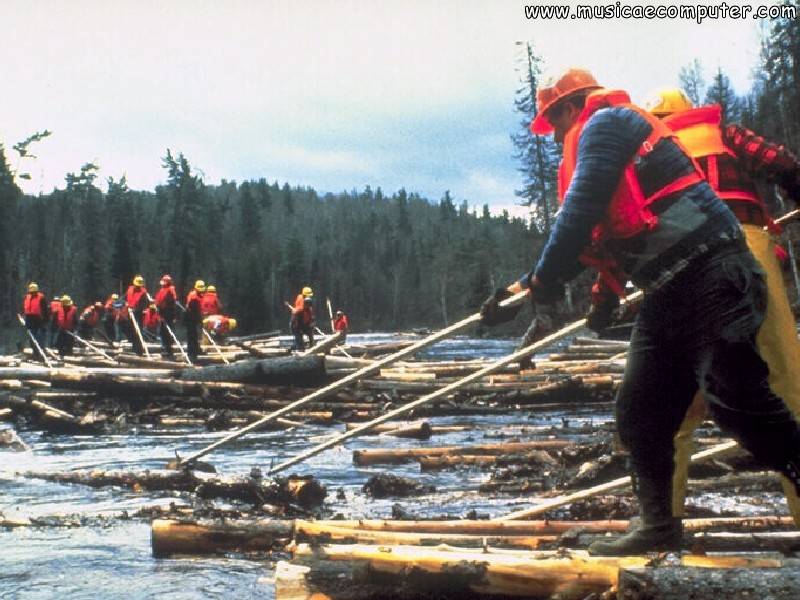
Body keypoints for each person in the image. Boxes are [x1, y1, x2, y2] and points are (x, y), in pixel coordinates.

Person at [480, 67, 800, 555]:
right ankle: (659, 526)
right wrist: (521, 290)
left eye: (556, 123)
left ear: (569, 108)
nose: (557, 138)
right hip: (668, 288)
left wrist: (542, 279)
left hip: (713, 270)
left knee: (741, 404)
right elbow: (606, 241)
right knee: (640, 413)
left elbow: (580, 211)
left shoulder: (607, 125)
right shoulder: (602, 138)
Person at [645, 87, 800, 525]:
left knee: (673, 406)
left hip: (682, 270)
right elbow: (781, 163)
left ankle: (662, 527)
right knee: (788, 385)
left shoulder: (648, 158)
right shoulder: (724, 136)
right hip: (747, 253)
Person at [22, 282, 49, 362]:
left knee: (39, 337)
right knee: (31, 338)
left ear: (37, 291)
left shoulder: (41, 298)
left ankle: (40, 353)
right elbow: (24, 308)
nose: (33, 294)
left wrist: (45, 320)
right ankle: (35, 353)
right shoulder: (26, 297)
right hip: (29, 319)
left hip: (38, 319)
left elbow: (45, 310)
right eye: (31, 292)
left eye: (34, 292)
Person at [124, 275, 149, 355]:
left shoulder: (143, 293)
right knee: (130, 330)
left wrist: (138, 309)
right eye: (137, 285)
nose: (138, 287)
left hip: (138, 313)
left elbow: (144, 304)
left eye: (139, 286)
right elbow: (125, 298)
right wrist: (125, 303)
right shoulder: (130, 289)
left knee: (138, 331)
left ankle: (139, 350)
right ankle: (133, 347)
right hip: (130, 312)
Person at [154, 274, 177, 357]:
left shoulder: (170, 290)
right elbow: (158, 301)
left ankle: (168, 349)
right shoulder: (162, 290)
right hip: (162, 312)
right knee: (162, 331)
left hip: (167, 313)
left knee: (166, 331)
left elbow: (171, 302)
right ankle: (165, 348)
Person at [185, 280, 205, 361]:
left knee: (195, 335)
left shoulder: (200, 296)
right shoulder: (193, 296)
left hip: (195, 317)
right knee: (192, 335)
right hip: (191, 318)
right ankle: (191, 353)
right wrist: (198, 318)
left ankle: (196, 350)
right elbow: (191, 308)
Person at [290, 286, 315, 351]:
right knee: (299, 341)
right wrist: (300, 329)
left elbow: (311, 317)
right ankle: (300, 350)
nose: (308, 305)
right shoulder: (300, 310)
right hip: (296, 326)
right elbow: (297, 322)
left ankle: (312, 348)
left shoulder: (309, 307)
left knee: (310, 332)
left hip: (304, 324)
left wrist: (311, 322)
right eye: (307, 304)